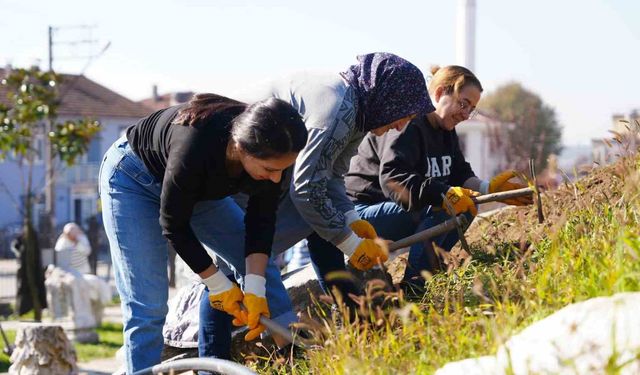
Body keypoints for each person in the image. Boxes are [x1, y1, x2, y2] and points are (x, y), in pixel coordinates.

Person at [198, 52, 434, 358]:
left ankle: (358, 327)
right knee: (235, 268)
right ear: (388, 98)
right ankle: (218, 365)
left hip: (260, 177)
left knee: (309, 232)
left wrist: (350, 219)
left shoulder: (358, 113)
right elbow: (307, 189)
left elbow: (331, 176)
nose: (401, 126)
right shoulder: (337, 109)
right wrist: (349, 242)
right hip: (230, 171)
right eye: (404, 114)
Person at [99, 94, 308, 372]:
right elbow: (174, 225)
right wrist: (219, 285)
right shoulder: (195, 143)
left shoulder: (273, 156)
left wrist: (255, 288)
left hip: (196, 189)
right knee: (147, 308)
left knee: (262, 269)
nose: (276, 178)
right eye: (270, 169)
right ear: (241, 148)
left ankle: (295, 360)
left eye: (282, 170)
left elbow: (261, 223)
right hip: (132, 179)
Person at [335, 65, 532, 290]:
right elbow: (393, 179)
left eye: (472, 109)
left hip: (396, 212)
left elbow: (459, 173)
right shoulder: (407, 123)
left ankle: (431, 274)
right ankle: (416, 286)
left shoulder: (446, 130)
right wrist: (443, 194)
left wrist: (489, 189)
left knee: (467, 205)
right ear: (439, 94)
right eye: (463, 103)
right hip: (360, 215)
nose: (466, 114)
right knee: (444, 205)